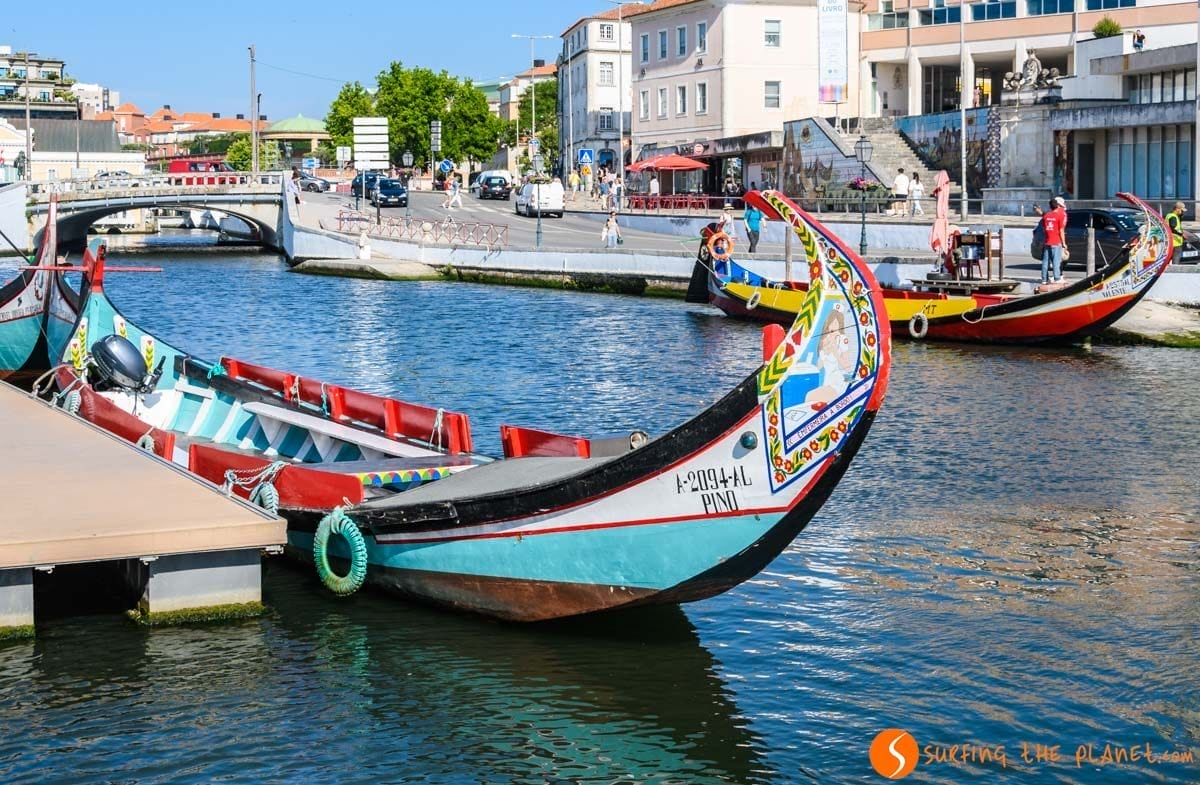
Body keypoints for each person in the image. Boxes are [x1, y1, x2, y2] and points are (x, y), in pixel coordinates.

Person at [1035, 196, 1067, 283]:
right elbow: (1061, 230)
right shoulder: (1059, 216)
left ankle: (1044, 279)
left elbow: (1045, 229)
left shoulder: (1046, 216)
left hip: (1047, 242)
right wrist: (1064, 243)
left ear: (1050, 207)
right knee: (1056, 262)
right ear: (1057, 205)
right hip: (1056, 242)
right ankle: (1057, 278)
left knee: (1045, 262)